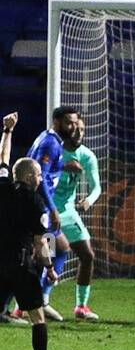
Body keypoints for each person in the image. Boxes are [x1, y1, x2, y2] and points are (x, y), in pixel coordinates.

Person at [0, 111, 57, 350]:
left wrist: (7, 131)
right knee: (38, 317)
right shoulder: (36, 204)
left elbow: (3, 158)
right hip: (22, 265)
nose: (40, 178)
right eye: (37, 175)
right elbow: (40, 245)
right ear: (30, 177)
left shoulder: (2, 187)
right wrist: (50, 269)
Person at [6, 105, 77, 322]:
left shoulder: (50, 140)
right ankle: (30, 303)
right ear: (57, 122)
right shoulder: (50, 144)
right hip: (39, 208)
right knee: (36, 254)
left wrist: (64, 166)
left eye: (75, 123)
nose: (73, 127)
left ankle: (25, 303)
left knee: (47, 251)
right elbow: (41, 180)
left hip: (37, 207)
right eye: (69, 122)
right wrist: (52, 209)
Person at [53, 117, 101, 320]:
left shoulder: (87, 156)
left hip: (68, 212)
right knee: (43, 259)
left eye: (82, 129)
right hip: (48, 212)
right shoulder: (54, 150)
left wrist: (89, 200)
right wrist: (63, 166)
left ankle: (81, 306)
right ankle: (22, 306)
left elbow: (97, 186)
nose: (79, 133)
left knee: (87, 255)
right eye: (75, 129)